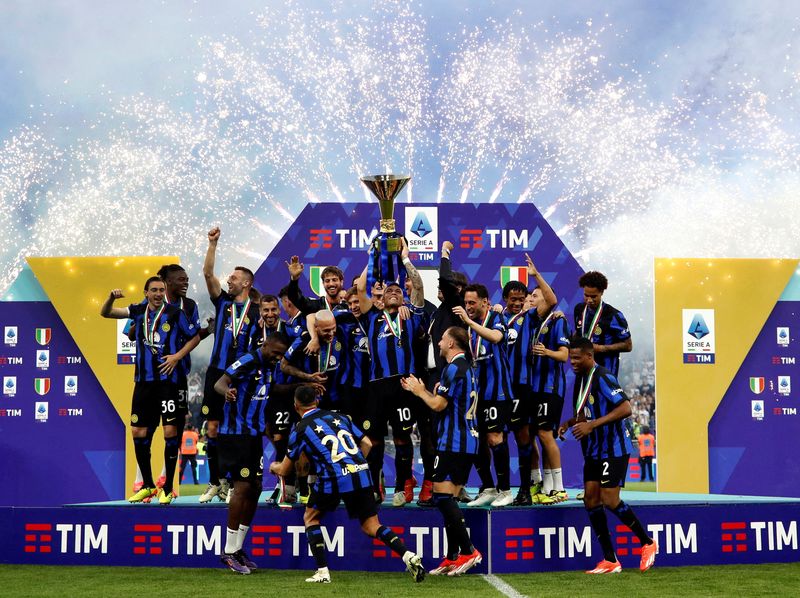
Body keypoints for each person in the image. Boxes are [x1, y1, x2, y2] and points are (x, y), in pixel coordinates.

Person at [269, 386, 425, 584]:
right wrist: (354, 466)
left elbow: (284, 470)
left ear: (295, 405)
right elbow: (367, 443)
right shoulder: (341, 418)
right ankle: (408, 555)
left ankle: (323, 572)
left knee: (310, 517)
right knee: (371, 526)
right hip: (361, 474)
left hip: (332, 478)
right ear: (317, 401)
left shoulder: (300, 429)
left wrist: (273, 466)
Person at [558, 337, 657, 574]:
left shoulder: (602, 376)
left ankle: (648, 543)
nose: (572, 361)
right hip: (594, 449)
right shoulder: (582, 380)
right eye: (571, 357)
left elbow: (625, 408)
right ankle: (610, 559)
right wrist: (571, 422)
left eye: (576, 357)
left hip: (613, 448)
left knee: (610, 499)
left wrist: (592, 425)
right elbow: (588, 411)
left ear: (589, 356)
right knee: (591, 499)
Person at [100, 278, 199, 504]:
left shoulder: (174, 313)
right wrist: (111, 298)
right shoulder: (137, 311)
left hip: (168, 382)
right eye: (153, 290)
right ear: (146, 292)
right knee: (138, 432)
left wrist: (177, 356)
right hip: (143, 382)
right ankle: (147, 485)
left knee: (170, 433)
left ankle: (167, 487)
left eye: (161, 290)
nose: (157, 294)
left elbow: (194, 337)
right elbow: (105, 313)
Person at [401, 326, 483, 576]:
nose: (438, 343)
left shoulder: (453, 368)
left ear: (452, 344)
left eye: (443, 339)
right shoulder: (467, 369)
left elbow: (438, 405)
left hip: (453, 443)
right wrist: (430, 391)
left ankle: (469, 551)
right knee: (449, 498)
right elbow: (449, 401)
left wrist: (419, 391)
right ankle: (452, 556)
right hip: (468, 442)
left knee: (442, 497)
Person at [355, 240, 427, 506]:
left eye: (398, 289)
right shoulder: (372, 318)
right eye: (389, 290)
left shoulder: (412, 316)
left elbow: (418, 286)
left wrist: (406, 259)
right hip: (377, 386)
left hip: (404, 384)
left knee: (401, 437)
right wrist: (372, 256)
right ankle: (375, 488)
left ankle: (400, 487)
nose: (395, 291)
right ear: (381, 299)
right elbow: (361, 288)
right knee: (373, 440)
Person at [214, 333, 291, 574]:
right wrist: (227, 392)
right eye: (275, 353)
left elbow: (272, 390)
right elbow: (220, 382)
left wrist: (302, 385)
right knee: (243, 487)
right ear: (265, 344)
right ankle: (227, 551)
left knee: (256, 486)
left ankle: (237, 548)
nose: (278, 358)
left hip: (253, 435)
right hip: (235, 434)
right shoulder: (248, 360)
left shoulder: (269, 368)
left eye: (281, 355)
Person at [200, 226, 262, 503]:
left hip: (242, 377)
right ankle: (216, 481)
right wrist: (212, 244)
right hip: (216, 372)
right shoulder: (223, 303)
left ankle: (236, 481)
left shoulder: (259, 312)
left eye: (234, 278)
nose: (229, 280)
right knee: (212, 428)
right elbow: (207, 275)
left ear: (246, 283)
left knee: (236, 428)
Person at [502, 254, 557, 506]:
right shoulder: (497, 319)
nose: (517, 303)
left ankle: (525, 489)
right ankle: (501, 488)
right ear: (505, 300)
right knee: (502, 437)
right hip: (499, 387)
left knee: (524, 437)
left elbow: (553, 300)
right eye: (512, 299)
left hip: (522, 386)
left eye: (521, 299)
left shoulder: (530, 319)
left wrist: (536, 276)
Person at [455, 284, 513, 507]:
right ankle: (488, 488)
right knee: (477, 440)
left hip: (498, 392)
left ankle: (505, 490)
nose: (468, 307)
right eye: (466, 303)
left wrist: (468, 323)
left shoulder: (496, 318)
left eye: (472, 303)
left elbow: (496, 338)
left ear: (484, 302)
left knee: (495, 438)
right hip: (478, 395)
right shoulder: (471, 328)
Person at [530, 284, 570, 504]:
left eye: (535, 296)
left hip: (550, 388)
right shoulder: (534, 323)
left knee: (546, 435)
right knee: (539, 435)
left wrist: (546, 352)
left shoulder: (558, 321)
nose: (532, 300)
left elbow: (564, 356)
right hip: (535, 389)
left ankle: (560, 488)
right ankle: (547, 485)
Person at [573, 271, 631, 376]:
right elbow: (578, 333)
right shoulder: (579, 309)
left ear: (602, 293)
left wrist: (601, 348)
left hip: (605, 371)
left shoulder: (614, 315)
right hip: (583, 370)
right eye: (586, 295)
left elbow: (628, 345)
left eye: (593, 296)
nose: (589, 300)